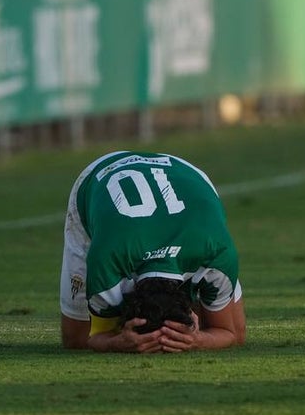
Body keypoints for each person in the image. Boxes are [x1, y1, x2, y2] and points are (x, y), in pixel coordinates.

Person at [59, 150, 247, 353]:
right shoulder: (106, 259)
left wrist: (198, 339)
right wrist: (117, 341)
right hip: (96, 178)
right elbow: (83, 337)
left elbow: (232, 333)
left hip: (184, 174)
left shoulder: (217, 252)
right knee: (75, 338)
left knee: (238, 332)